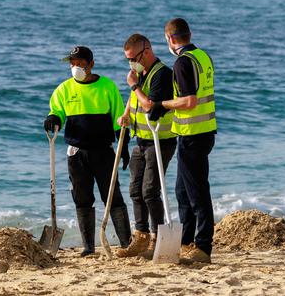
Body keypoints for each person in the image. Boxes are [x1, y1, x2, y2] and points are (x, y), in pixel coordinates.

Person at [43, 46, 131, 256]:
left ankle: (126, 243)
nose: (75, 67)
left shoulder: (107, 86)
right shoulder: (63, 89)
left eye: (80, 63)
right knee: (81, 198)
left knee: (112, 196)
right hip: (76, 153)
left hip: (103, 151)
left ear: (91, 64)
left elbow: (120, 120)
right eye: (72, 63)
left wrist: (124, 146)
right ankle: (89, 247)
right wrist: (53, 118)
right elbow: (57, 112)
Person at [153, 18, 217, 263]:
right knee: (182, 190)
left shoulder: (182, 62)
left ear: (170, 39)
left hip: (193, 134)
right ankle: (187, 241)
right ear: (189, 34)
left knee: (197, 192)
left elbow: (189, 100)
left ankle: (203, 247)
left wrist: (162, 104)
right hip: (204, 131)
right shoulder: (202, 56)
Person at [115, 34, 177, 258]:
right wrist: (125, 115)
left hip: (161, 140)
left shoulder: (163, 74)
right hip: (140, 140)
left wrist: (133, 86)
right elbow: (134, 101)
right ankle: (140, 237)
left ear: (147, 51)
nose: (131, 63)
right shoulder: (141, 73)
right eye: (128, 59)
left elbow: (150, 106)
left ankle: (156, 237)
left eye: (134, 58)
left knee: (150, 191)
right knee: (135, 190)